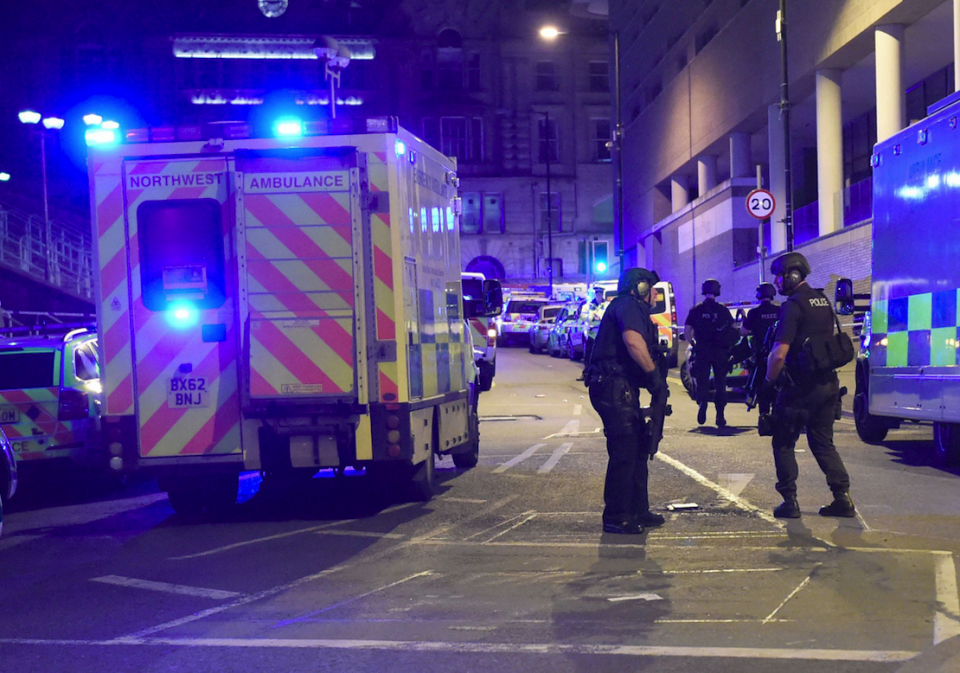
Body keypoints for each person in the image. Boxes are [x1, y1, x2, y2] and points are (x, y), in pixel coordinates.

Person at [761, 252, 855, 519]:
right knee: (823, 443)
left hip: (799, 389)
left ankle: (789, 502)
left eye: (780, 276)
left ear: (793, 275)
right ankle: (842, 498)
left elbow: (779, 353)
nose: (777, 282)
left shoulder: (793, 306)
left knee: (783, 442)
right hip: (827, 385)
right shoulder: (821, 299)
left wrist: (768, 383)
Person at [585, 268, 667, 535]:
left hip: (620, 386)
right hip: (612, 386)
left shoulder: (631, 307)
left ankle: (637, 509)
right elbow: (633, 343)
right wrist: (653, 377)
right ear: (640, 288)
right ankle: (616, 515)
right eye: (652, 288)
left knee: (638, 446)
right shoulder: (629, 305)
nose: (655, 293)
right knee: (625, 450)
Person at [683, 279, 736, 427]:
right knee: (720, 383)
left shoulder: (696, 310)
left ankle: (703, 403)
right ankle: (720, 415)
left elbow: (687, 330)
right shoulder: (722, 310)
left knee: (702, 381)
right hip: (720, 351)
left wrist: (693, 343)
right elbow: (733, 328)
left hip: (702, 350)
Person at [742, 282, 781, 415]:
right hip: (778, 355)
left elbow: (744, 332)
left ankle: (764, 418)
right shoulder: (779, 311)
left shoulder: (754, 313)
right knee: (779, 388)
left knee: (762, 389)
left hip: (761, 357)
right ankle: (778, 416)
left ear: (759, 295)